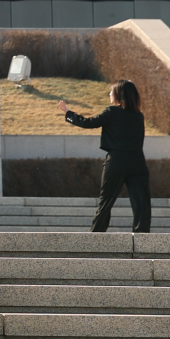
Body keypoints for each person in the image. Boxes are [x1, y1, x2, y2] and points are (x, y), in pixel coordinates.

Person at [62, 81, 149, 233]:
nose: (109, 94)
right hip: (137, 160)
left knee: (107, 200)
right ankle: (142, 233)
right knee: (141, 201)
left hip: (117, 160)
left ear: (119, 94)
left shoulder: (112, 111)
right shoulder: (138, 116)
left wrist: (69, 113)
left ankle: (97, 233)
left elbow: (88, 123)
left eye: (111, 92)